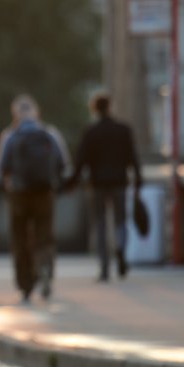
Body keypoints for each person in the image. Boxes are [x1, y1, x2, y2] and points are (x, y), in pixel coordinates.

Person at [0, 95, 70, 302]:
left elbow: (1, 167)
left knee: (20, 238)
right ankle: (45, 269)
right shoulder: (50, 133)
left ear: (15, 114)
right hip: (44, 192)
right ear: (37, 113)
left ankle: (25, 284)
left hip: (18, 194)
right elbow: (63, 163)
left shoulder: (10, 135)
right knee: (44, 234)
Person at [64, 91, 142, 282]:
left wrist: (71, 183)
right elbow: (133, 157)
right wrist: (139, 179)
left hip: (97, 184)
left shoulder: (91, 131)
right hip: (119, 182)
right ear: (110, 107)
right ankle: (121, 249)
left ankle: (104, 267)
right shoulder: (123, 129)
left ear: (94, 109)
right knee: (120, 221)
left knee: (99, 224)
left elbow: (80, 161)